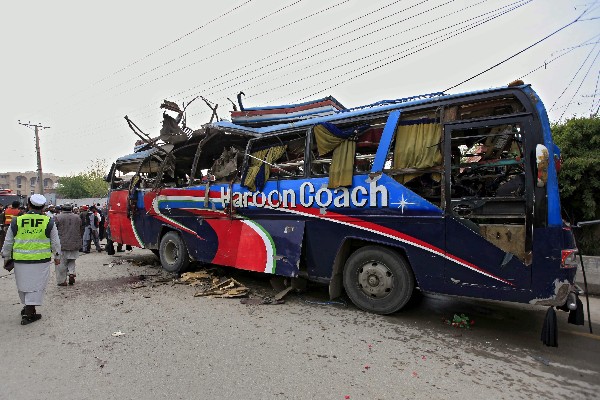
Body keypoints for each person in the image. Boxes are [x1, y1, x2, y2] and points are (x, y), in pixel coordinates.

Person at [1, 194, 61, 325]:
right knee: (37, 285)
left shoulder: (16, 221)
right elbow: (56, 243)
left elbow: (8, 242)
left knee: (23, 284)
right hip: (41, 261)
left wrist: (6, 256)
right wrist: (57, 256)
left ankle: (28, 306)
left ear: (28, 205)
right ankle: (29, 312)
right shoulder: (48, 221)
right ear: (43, 207)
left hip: (20, 260)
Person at [54, 203, 82, 286]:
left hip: (62, 243)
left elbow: (54, 231)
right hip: (75, 242)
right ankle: (71, 272)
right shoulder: (77, 217)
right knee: (72, 260)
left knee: (62, 263)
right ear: (71, 209)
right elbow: (80, 228)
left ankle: (62, 281)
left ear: (62, 209)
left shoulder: (57, 217)